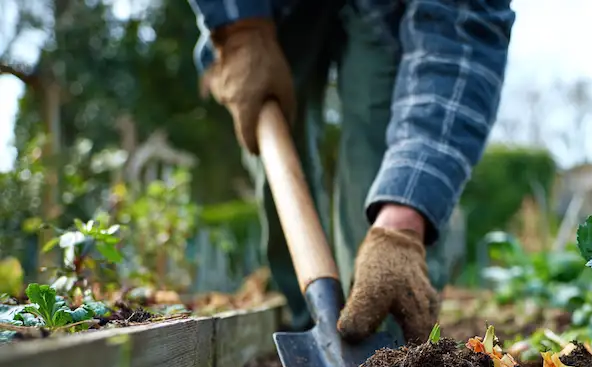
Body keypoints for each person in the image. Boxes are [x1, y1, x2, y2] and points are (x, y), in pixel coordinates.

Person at [186, 0, 515, 343]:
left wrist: (401, 223)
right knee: (278, 169)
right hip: (265, 10)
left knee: (381, 219)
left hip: (385, 10)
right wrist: (238, 29)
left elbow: (460, 40)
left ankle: (381, 355)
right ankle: (308, 326)